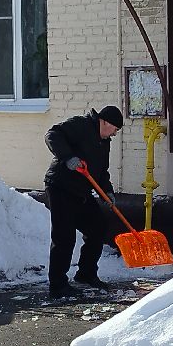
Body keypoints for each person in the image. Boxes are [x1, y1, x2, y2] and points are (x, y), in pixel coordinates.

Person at [43, 105, 123, 299]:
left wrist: (107, 192)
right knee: (64, 236)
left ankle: (86, 274)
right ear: (104, 122)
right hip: (60, 187)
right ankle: (58, 285)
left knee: (98, 226)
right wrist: (68, 157)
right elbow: (52, 134)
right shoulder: (81, 125)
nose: (114, 134)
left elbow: (101, 172)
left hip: (81, 192)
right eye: (114, 129)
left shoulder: (104, 142)